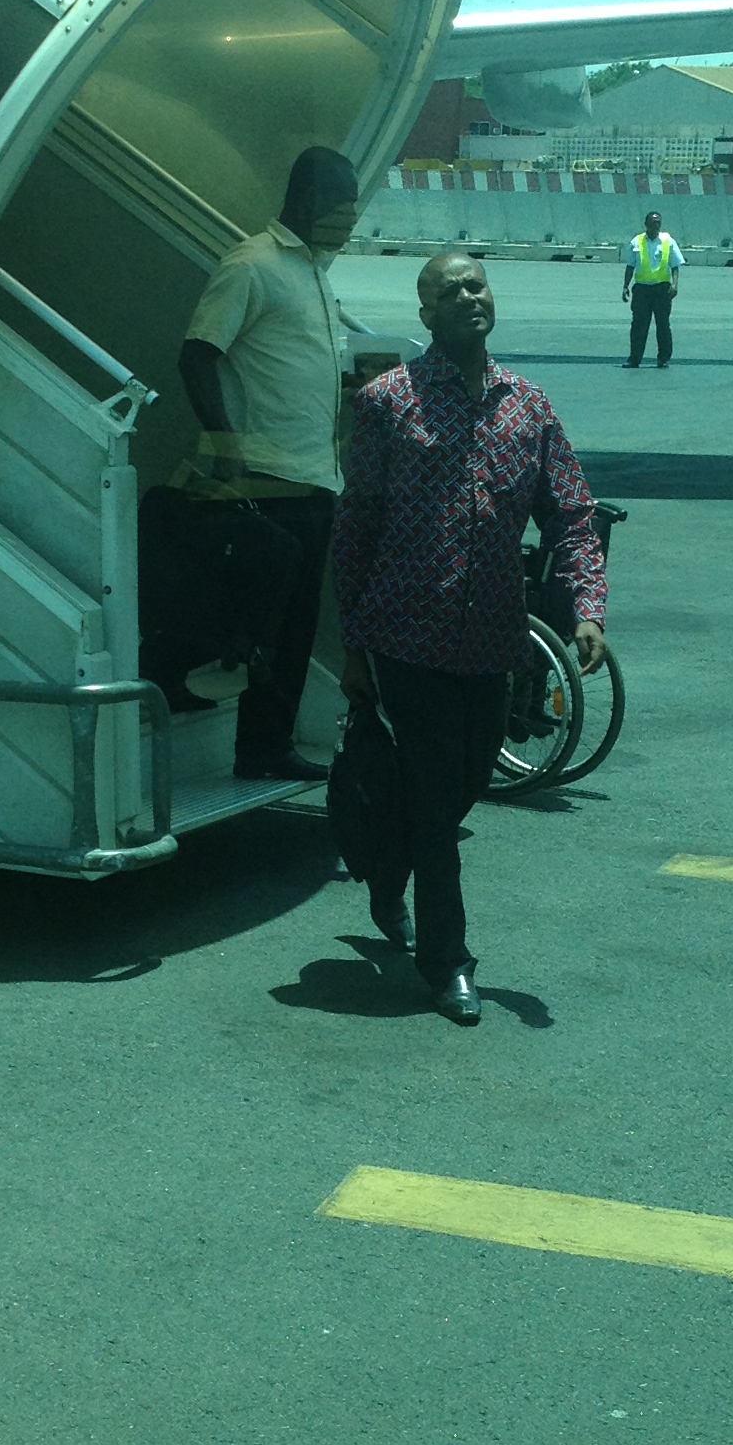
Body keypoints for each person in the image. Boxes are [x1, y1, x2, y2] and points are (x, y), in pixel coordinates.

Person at [332, 247, 605, 1024]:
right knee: (431, 794)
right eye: (448, 292)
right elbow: (355, 529)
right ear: (426, 315)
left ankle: (390, 876)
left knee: (464, 787)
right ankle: (448, 961)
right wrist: (352, 646)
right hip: (405, 637)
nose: (466, 298)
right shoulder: (387, 402)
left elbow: (572, 515)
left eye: (475, 285)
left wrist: (586, 608)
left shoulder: (529, 406)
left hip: (491, 640)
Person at [178, 146, 360, 782]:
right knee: (262, 618)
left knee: (298, 622)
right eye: (341, 205)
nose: (350, 219)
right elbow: (197, 355)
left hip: (314, 476)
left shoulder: (313, 270)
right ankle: (249, 739)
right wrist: (224, 446)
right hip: (266, 475)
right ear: (308, 198)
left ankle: (268, 745)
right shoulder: (252, 265)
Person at [622, 211, 682, 369]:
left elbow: (675, 265)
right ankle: (634, 359)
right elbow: (630, 265)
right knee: (638, 326)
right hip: (642, 290)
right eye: (653, 222)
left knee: (663, 325)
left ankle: (663, 358)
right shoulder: (636, 242)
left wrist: (675, 285)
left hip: (662, 289)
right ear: (646, 224)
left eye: (658, 222)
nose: (656, 225)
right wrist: (625, 286)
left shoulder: (668, 241)